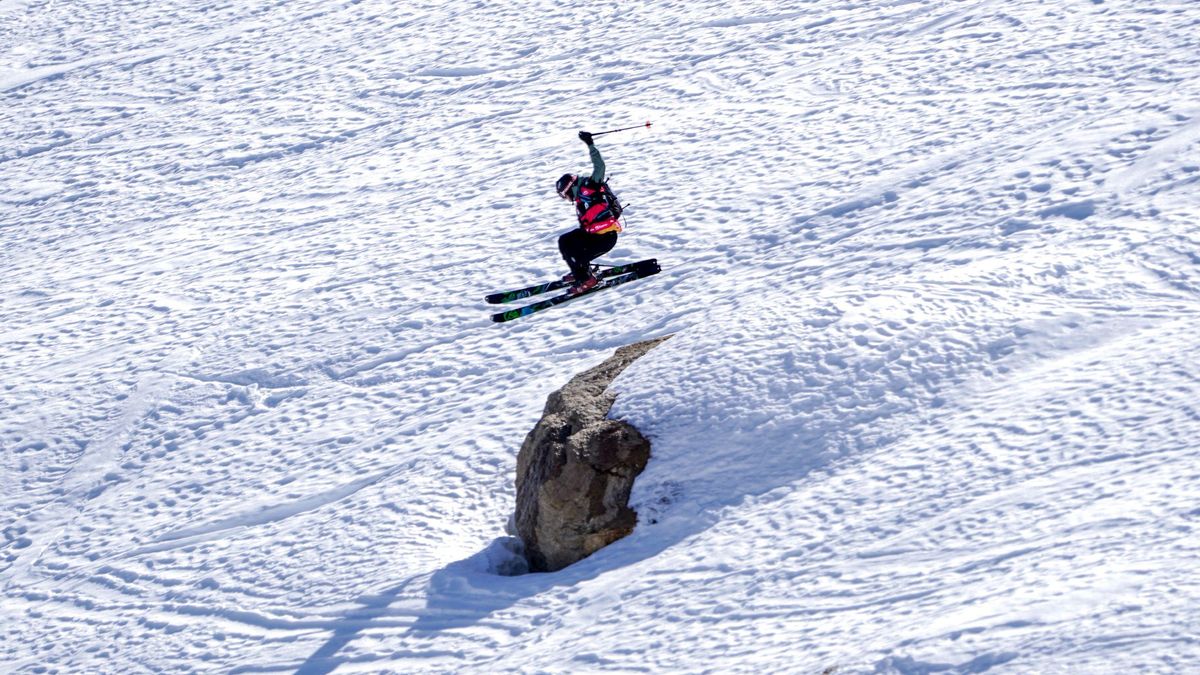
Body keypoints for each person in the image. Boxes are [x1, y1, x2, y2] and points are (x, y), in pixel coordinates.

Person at [555, 131, 623, 294]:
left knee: (578, 253)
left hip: (606, 237)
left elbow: (600, 166)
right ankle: (581, 272)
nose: (568, 199)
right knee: (565, 241)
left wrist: (590, 144)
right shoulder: (579, 198)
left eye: (566, 195)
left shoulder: (590, 186)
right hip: (594, 235)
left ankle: (587, 280)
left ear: (570, 188)